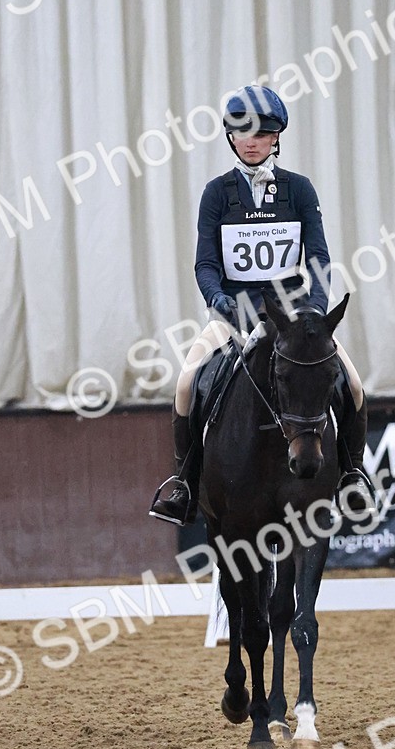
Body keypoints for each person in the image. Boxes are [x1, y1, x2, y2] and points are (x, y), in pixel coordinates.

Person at [149, 84, 372, 526]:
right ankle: (184, 483)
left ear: (276, 138)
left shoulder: (299, 190)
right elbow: (206, 263)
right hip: (234, 317)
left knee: (353, 384)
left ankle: (352, 474)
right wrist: (219, 301)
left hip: (295, 320)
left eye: (261, 132)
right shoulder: (216, 193)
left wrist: (314, 313)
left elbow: (319, 258)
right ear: (231, 137)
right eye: (241, 132)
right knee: (186, 381)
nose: (250, 140)